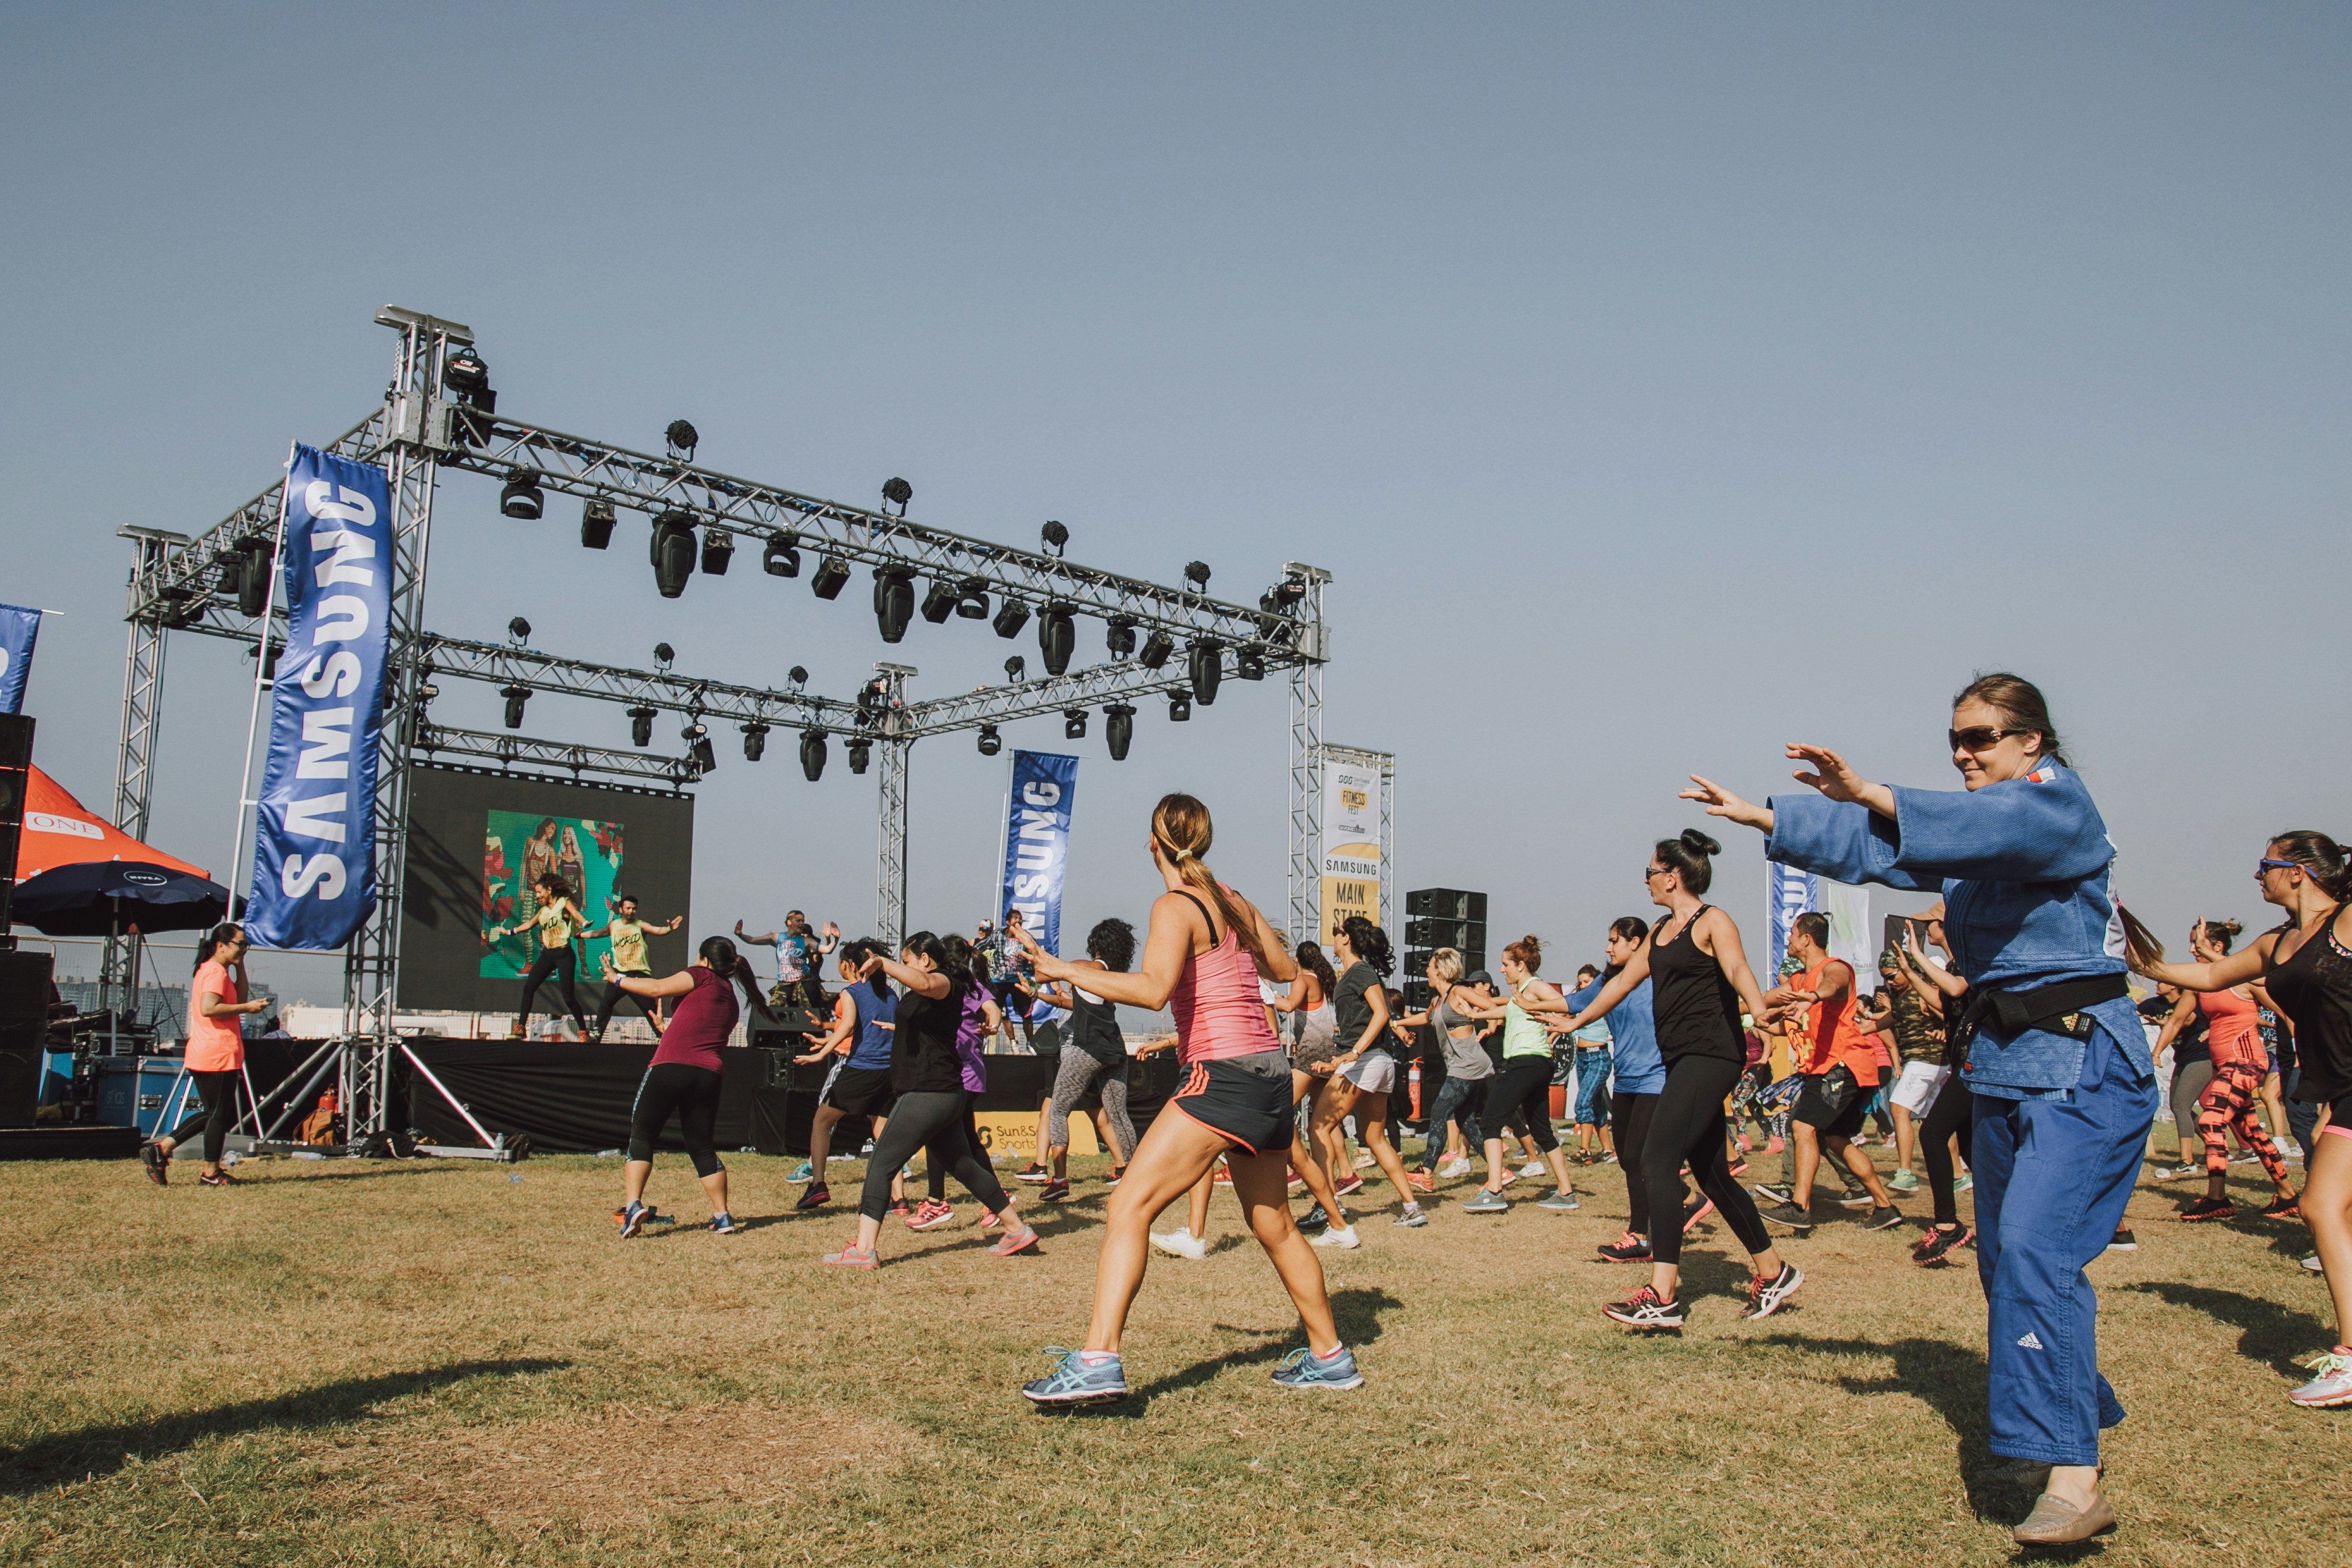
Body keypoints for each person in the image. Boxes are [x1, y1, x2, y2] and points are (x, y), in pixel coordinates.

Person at [1687, 672, 2154, 1545]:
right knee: (2004, 1264)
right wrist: (1768, 818)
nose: (1964, 752)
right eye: (1955, 741)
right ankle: (2069, 1412)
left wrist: (1871, 789)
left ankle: (2075, 1476)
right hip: (2010, 1064)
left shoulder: (2057, 806)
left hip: (2084, 1061)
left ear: (2031, 743)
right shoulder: (1987, 843)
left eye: (1980, 737)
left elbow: (1977, 826)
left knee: (2034, 1254)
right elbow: (1895, 854)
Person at [1017, 793, 1359, 1402]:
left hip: (1221, 1075)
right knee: (1273, 1222)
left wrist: (1064, 970)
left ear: (1155, 843)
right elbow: (1287, 972)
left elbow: (1152, 991)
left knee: (1127, 1208)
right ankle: (1330, 1356)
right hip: (1270, 1075)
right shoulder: (1234, 900)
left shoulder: (1174, 906)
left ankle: (1097, 1361)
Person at [2130, 831, 2351, 1408]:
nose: (2257, 876)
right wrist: (2134, 946)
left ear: (2298, 872)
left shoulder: (2345, 923)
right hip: (2345, 1088)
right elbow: (2206, 977)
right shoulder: (2276, 943)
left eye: (2266, 865)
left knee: (2323, 1206)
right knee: (2324, 1207)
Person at [1559, 837, 1798, 1328]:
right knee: (1711, 1174)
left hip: (1712, 1055)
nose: (1645, 879)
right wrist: (1575, 1021)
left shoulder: (1713, 921)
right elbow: (1621, 983)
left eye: (1649, 871)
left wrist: (1757, 1008)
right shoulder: (1663, 931)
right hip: (1682, 1059)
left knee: (1657, 1161)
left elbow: (1736, 968)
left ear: (1672, 876)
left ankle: (1663, 1295)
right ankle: (1773, 1271)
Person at [821, 932, 1039, 1268]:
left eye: (907, 960)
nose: (904, 968)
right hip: (939, 1092)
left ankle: (864, 1249)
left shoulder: (942, 982)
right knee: (963, 1165)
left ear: (924, 959)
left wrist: (886, 964)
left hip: (930, 1092)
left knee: (882, 1161)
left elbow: (924, 983)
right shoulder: (929, 992)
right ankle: (1017, 1229)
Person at [611, 936, 774, 1237]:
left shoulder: (701, 975)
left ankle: (633, 1206)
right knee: (701, 1146)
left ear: (706, 961)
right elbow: (699, 1035)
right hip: (709, 1076)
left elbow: (657, 988)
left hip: (670, 1067)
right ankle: (722, 1216)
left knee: (643, 1134)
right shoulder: (731, 1001)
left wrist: (618, 979)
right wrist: (666, 1029)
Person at [1754, 912, 1903, 1235]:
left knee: (1802, 1125)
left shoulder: (1834, 968)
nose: (1788, 939)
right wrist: (1738, 1009)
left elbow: (1834, 984)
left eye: (1792, 934)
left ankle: (1799, 1208)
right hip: (1835, 1069)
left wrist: (1813, 997)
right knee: (1836, 1139)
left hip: (1841, 1066)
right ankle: (1884, 1207)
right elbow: (1762, 1002)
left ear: (1807, 938)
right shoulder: (1797, 982)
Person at [2167, 919, 2299, 1222]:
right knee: (2252, 1132)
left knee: (2211, 1119)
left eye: (2197, 943)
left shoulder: (2244, 979)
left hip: (2247, 1061)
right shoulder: (2205, 980)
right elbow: (2177, 1017)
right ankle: (2288, 1195)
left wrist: (2302, 1050)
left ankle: (2217, 1199)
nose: (2191, 949)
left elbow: (2284, 1012)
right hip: (2225, 1065)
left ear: (2218, 947)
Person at [1306, 916, 1428, 1232]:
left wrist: (1353, 1053)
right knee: (1374, 1137)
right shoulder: (1351, 974)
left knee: (1319, 1128)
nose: (1332, 937)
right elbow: (1374, 1019)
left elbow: (1382, 1011)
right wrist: (1339, 1060)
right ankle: (1412, 1208)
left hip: (1367, 1062)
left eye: (1336, 933)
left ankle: (1327, 1205)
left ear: (1346, 938)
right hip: (1375, 1062)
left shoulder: (1359, 971)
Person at [1452, 937, 1579, 1216]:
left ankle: (1495, 1191)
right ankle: (1566, 1193)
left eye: (1505, 964)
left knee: (1490, 1123)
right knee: (1542, 1130)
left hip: (1526, 1064)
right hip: (1536, 1064)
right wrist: (1472, 1013)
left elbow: (1564, 1003)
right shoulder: (1522, 992)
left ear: (1521, 965)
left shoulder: (1533, 986)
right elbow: (1506, 1011)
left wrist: (1557, 1018)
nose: (1501, 970)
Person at [1563, 918, 1664, 1262]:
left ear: (1635, 943)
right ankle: (1683, 1196)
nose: (1608, 948)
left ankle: (1640, 1236)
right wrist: (1527, 1005)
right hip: (1625, 1081)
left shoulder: (1659, 977)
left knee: (1639, 1157)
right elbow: (1576, 1004)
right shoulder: (1612, 981)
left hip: (1657, 1080)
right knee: (1626, 1157)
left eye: (1613, 941)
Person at [141, 923, 268, 1188]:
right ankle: (210, 1172)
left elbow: (239, 998)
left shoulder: (218, 970)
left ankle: (161, 1150)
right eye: (240, 944)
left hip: (211, 1051)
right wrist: (248, 1007)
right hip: (217, 1052)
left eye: (247, 945)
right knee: (218, 1115)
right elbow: (209, 1008)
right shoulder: (214, 972)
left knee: (214, 1113)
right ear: (221, 945)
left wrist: (240, 967)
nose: (245, 949)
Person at [1032, 919, 1143, 1201]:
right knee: (1119, 1115)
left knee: (1057, 1111)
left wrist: (1033, 953)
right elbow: (1077, 1002)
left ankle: (1059, 1179)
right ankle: (1134, 1176)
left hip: (1088, 1051)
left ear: (1095, 944)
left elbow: (1043, 974)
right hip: (1115, 1051)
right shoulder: (1112, 976)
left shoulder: (1088, 966)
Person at [793, 941, 904, 1214]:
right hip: (888, 1073)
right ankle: (900, 1200)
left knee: (822, 1121)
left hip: (861, 1070)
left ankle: (818, 1185)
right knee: (884, 1136)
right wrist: (824, 1041)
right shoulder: (891, 994)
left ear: (852, 966)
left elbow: (849, 1025)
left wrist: (821, 1054)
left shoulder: (851, 992)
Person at [1404, 949, 1495, 1191]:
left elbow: (1491, 1005)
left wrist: (1488, 1024)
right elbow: (1425, 1019)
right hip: (1461, 1066)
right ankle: (1501, 1172)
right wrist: (1396, 1022)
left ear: (1441, 970)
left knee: (1439, 1110)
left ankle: (1425, 1172)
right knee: (1465, 1120)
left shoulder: (1459, 992)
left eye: (1430, 967)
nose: (1426, 971)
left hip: (1469, 1065)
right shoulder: (1438, 1001)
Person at [490, 873, 590, 1039]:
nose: (537, 896)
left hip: (565, 955)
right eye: (535, 893)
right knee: (529, 988)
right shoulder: (543, 912)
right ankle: (520, 1028)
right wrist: (509, 932)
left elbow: (576, 913)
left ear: (549, 890)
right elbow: (528, 925)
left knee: (569, 998)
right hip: (548, 955)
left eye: (539, 892)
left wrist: (585, 922)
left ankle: (583, 1031)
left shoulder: (563, 903)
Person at [584, 895, 683, 1042]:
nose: (631, 911)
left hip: (639, 974)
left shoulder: (640, 925)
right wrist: (579, 935)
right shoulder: (614, 925)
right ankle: (597, 1033)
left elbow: (658, 930)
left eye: (634, 909)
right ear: (621, 909)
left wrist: (669, 929)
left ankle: (660, 1036)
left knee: (648, 1008)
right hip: (619, 974)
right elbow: (597, 933)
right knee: (606, 1003)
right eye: (628, 908)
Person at [2149, 979, 2214, 1179]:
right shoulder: (2160, 1003)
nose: (2157, 984)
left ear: (2174, 986)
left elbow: (2186, 1020)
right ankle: (2216, 1147)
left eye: (2162, 982)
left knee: (2180, 1106)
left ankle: (2187, 1161)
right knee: (2177, 1107)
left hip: (2202, 1057)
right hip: (2183, 1058)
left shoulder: (2195, 998)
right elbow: (2136, 1008)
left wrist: (2165, 1024)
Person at [735, 910, 840, 1017]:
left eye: (803, 921)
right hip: (785, 982)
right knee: (775, 1009)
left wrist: (836, 939)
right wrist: (740, 934)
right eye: (798, 921)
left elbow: (827, 950)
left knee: (811, 1010)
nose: (801, 924)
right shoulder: (777, 938)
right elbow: (752, 940)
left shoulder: (806, 941)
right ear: (789, 922)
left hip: (804, 981)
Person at [1566, 964, 1614, 1162]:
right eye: (1581, 983)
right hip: (1583, 1057)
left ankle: (1585, 1150)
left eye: (1587, 982)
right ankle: (1608, 1151)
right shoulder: (1579, 1002)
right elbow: (1565, 1017)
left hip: (1599, 1057)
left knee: (1583, 1102)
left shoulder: (1604, 1000)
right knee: (1597, 1105)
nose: (1584, 986)